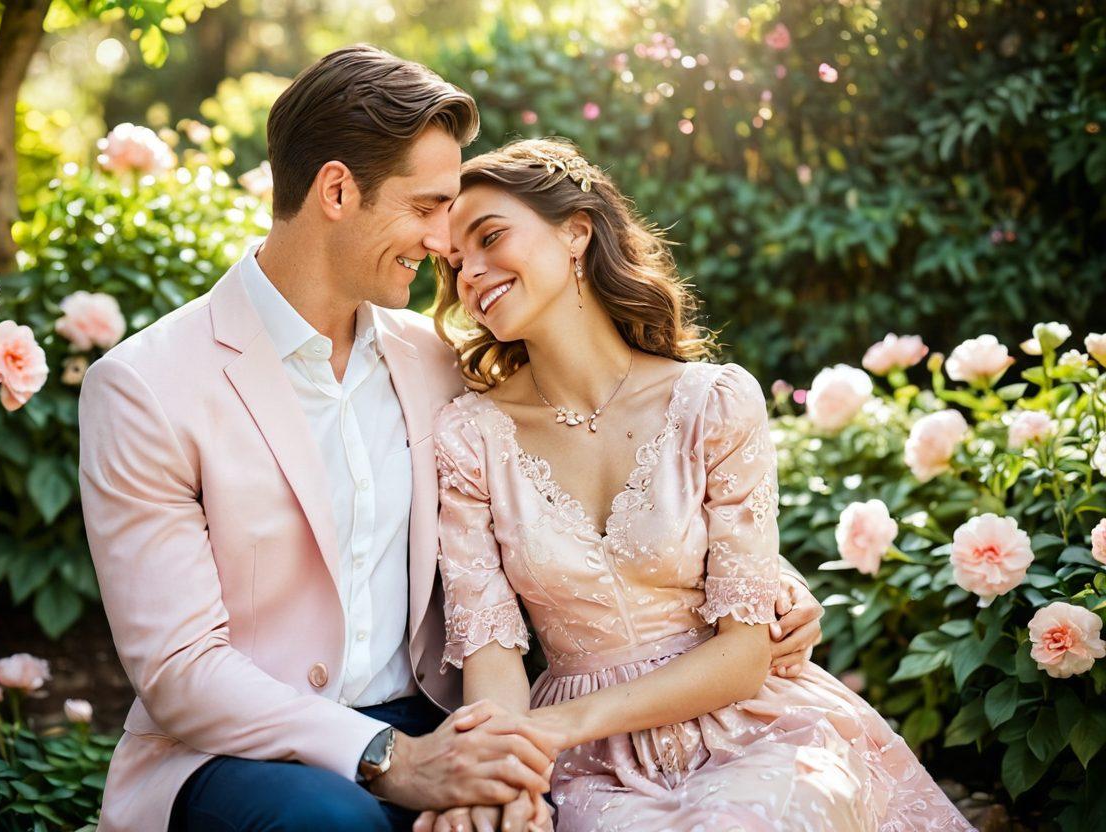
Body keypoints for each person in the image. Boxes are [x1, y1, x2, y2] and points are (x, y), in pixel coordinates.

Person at [78, 45, 824, 832]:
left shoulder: (434, 363)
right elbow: (181, 669)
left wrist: (769, 591)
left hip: (439, 717)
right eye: (429, 207)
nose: (444, 244)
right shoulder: (147, 386)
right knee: (331, 824)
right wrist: (395, 761)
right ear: (337, 190)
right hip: (240, 751)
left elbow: (583, 471)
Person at [419, 138, 974, 831]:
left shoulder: (714, 403)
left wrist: (551, 727)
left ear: (576, 232)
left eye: (490, 237)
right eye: (453, 263)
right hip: (591, 766)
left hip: (756, 727)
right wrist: (499, 776)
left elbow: (744, 654)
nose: (470, 272)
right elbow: (491, 653)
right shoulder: (470, 438)